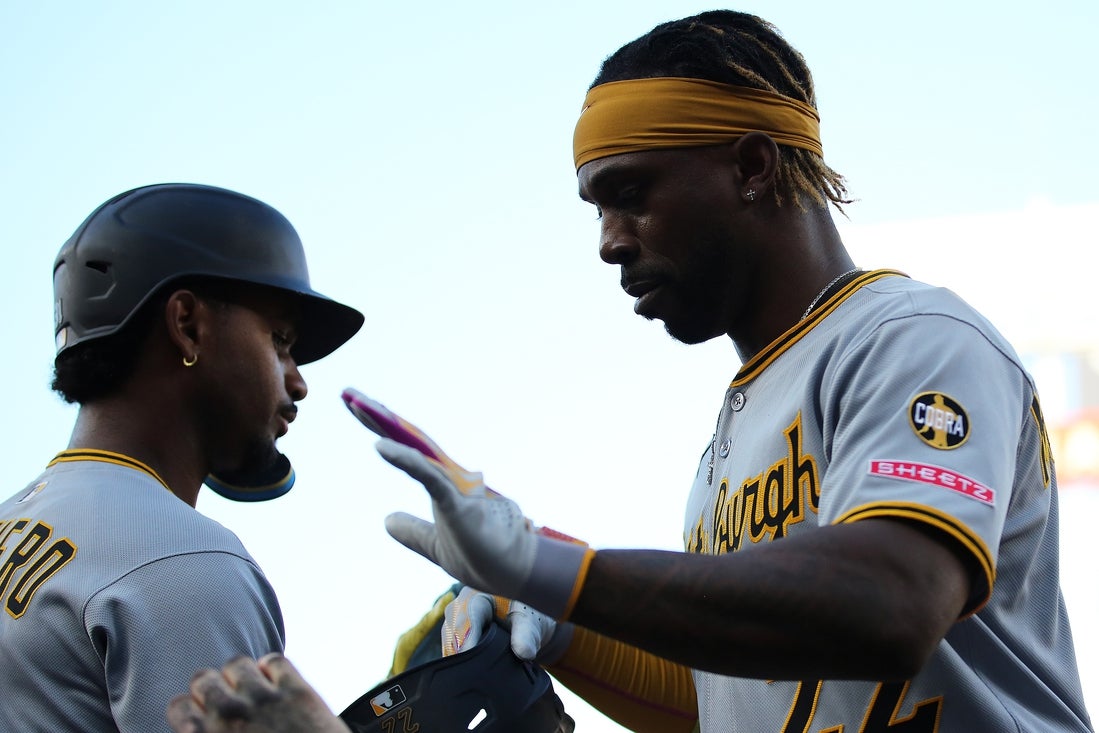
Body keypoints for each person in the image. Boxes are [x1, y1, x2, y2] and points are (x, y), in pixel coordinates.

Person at [166, 10, 1095, 733]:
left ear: (752, 167)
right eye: (596, 208)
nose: (609, 242)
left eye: (631, 193)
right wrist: (559, 621)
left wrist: (554, 567)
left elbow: (892, 602)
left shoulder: (909, 336)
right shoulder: (734, 427)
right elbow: (730, 700)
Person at [0, 183, 363, 732]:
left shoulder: (14, 520)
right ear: (188, 325)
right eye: (280, 340)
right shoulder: (182, 561)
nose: (298, 382)